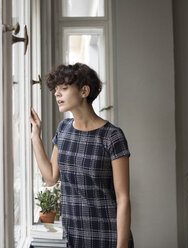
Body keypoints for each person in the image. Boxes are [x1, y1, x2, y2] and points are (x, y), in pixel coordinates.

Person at [29, 63, 134, 248]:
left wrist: (122, 246)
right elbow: (51, 178)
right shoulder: (63, 129)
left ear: (84, 91)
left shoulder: (112, 136)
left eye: (64, 88)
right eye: (55, 89)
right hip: (74, 238)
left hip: (109, 237)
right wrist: (35, 136)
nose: (57, 93)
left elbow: (123, 198)